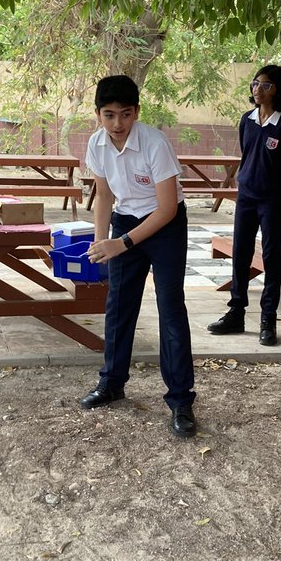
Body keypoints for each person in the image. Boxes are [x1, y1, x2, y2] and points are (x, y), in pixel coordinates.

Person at [79, 75, 197, 439]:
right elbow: (104, 197)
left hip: (165, 226)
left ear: (137, 112)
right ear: (98, 114)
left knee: (171, 308)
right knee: (118, 305)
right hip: (125, 221)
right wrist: (101, 242)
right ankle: (112, 382)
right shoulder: (97, 144)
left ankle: (180, 399)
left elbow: (165, 210)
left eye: (125, 115)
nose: (118, 124)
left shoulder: (154, 143)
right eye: (109, 115)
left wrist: (122, 243)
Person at [208, 64, 281, 345]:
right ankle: (236, 313)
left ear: (279, 90)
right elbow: (247, 154)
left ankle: (268, 319)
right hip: (247, 198)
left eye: (266, 85)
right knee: (240, 253)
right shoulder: (247, 120)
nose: (258, 89)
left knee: (271, 258)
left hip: (272, 201)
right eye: (255, 84)